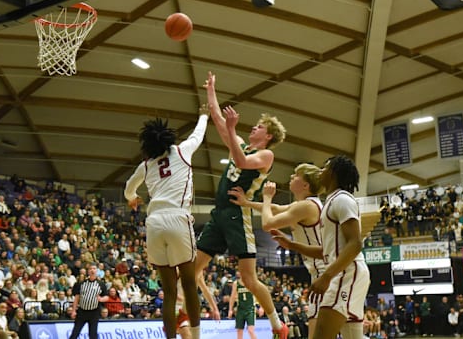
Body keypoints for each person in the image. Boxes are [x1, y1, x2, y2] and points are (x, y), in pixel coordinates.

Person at [194, 71, 288, 339]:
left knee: (248, 279)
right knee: (192, 271)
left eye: (259, 127)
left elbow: (243, 163)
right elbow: (217, 117)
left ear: (268, 136)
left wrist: (233, 130)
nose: (253, 128)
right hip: (219, 215)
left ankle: (277, 323)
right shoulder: (242, 145)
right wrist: (212, 88)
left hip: (238, 216)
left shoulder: (266, 155)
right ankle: (187, 315)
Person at [124, 104, 209, 339]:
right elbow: (198, 134)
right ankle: (197, 336)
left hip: (154, 223)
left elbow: (128, 189)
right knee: (189, 285)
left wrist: (133, 199)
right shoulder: (182, 151)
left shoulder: (146, 165)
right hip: (177, 218)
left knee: (169, 292)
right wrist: (203, 114)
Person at [230, 163, 325, 338]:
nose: (291, 177)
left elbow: (267, 223)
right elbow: (275, 210)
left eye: (296, 175)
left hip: (326, 270)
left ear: (306, 185)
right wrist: (246, 203)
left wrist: (267, 197)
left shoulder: (306, 206)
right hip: (319, 270)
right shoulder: (303, 205)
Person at [279, 155, 369, 339]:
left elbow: (356, 243)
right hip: (346, 273)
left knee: (320, 335)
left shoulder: (342, 199)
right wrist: (291, 244)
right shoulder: (331, 202)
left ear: (334, 173)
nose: (320, 171)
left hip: (346, 274)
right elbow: (325, 252)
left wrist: (326, 277)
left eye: (325, 167)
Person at [68, 264, 105, 339]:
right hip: (82, 311)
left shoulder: (101, 284)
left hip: (94, 312)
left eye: (94, 268)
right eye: (90, 268)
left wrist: (102, 299)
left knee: (93, 335)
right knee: (75, 333)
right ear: (88, 271)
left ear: (97, 271)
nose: (92, 270)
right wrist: (74, 310)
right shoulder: (81, 284)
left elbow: (106, 296)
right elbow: (76, 298)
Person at [228, 272, 257, 339]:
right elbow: (232, 297)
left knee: (250, 330)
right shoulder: (236, 283)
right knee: (239, 331)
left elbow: (258, 294)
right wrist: (230, 309)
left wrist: (261, 307)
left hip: (250, 309)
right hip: (240, 309)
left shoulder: (251, 282)